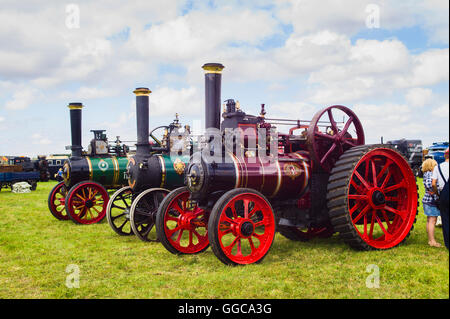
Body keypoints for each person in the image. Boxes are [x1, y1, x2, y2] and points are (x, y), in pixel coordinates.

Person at [421, 159, 441, 247]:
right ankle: (432, 241)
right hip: (431, 200)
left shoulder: (425, 174)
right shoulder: (430, 174)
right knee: (433, 221)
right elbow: (430, 185)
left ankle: (430, 239)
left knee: (429, 220)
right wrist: (437, 189)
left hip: (427, 200)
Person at [432, 147, 449, 250]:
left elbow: (433, 183)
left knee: (445, 219)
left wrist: (437, 194)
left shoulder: (437, 167)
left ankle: (448, 244)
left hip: (443, 194)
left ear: (444, 156)